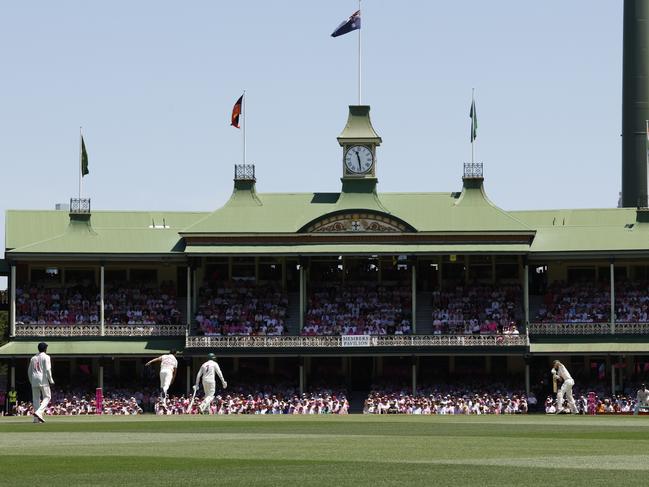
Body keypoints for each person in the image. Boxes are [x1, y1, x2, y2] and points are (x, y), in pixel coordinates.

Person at [28, 342, 54, 423]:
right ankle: (39, 412)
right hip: (43, 379)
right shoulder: (46, 357)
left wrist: (31, 381)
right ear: (45, 349)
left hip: (34, 379)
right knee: (47, 396)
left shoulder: (33, 358)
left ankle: (36, 419)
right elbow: (47, 369)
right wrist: (51, 380)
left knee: (36, 399)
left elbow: (29, 371)